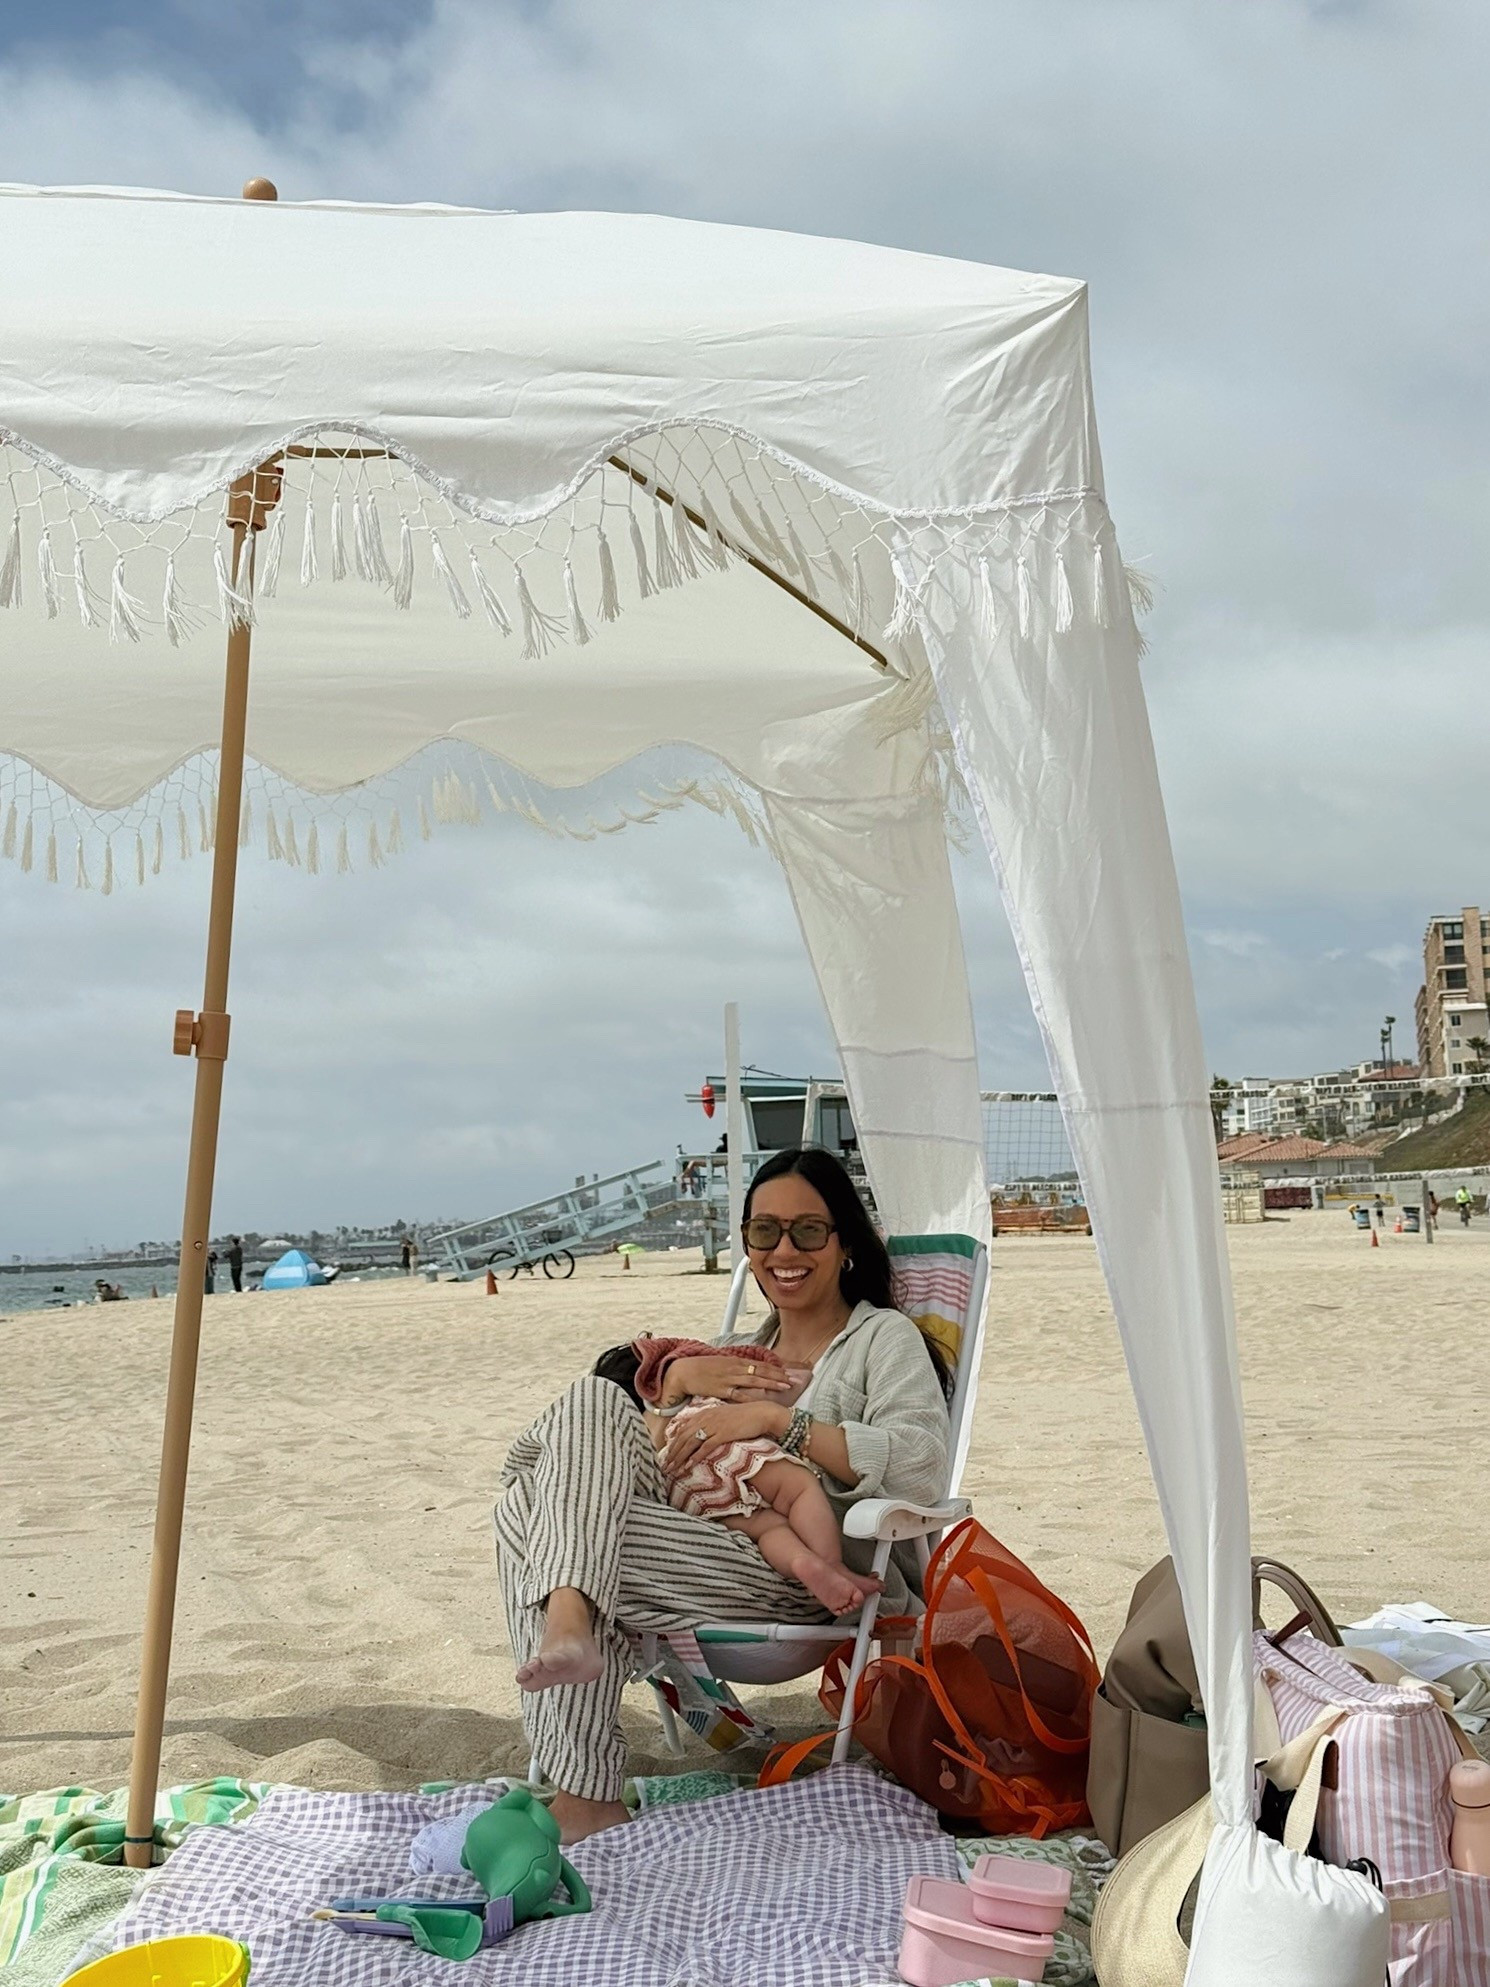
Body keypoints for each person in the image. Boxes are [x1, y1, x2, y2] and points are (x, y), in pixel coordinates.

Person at [494, 1144, 951, 1845]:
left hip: (803, 1568)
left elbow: (921, 1462)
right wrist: (677, 1385)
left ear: (846, 1242)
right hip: (696, 1541)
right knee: (591, 1399)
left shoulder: (880, 1339)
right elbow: (579, 1448)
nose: (783, 1249)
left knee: (525, 1516)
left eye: (808, 1230)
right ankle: (571, 1630)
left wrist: (778, 1421)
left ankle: (581, 1781)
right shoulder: (736, 1351)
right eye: (764, 1232)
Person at [611, 1334, 881, 1616]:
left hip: (679, 1478)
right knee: (800, 1489)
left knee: (769, 1529)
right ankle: (831, 1564)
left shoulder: (647, 1422)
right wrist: (794, 1371)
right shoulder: (718, 1365)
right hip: (722, 1444)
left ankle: (802, 1562)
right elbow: (787, 1383)